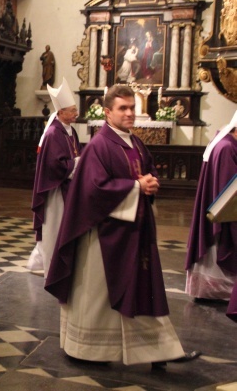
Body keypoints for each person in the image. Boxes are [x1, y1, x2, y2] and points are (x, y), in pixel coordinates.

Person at [45, 85, 200, 368]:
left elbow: (147, 171)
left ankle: (159, 350)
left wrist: (150, 183)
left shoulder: (134, 142)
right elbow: (93, 190)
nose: (130, 113)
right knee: (102, 294)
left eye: (132, 108)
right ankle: (92, 349)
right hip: (104, 237)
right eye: (123, 108)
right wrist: (136, 187)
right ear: (107, 112)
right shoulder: (99, 146)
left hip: (135, 230)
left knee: (144, 288)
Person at [27, 78, 81, 274]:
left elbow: (75, 153)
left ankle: (56, 262)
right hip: (55, 190)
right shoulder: (52, 134)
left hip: (69, 187)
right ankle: (50, 264)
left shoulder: (70, 131)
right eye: (73, 110)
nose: (76, 113)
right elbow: (53, 165)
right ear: (61, 112)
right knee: (53, 227)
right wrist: (75, 164)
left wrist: (78, 162)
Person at [185, 110, 237, 301]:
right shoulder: (226, 147)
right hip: (222, 217)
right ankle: (219, 290)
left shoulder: (227, 142)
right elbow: (228, 192)